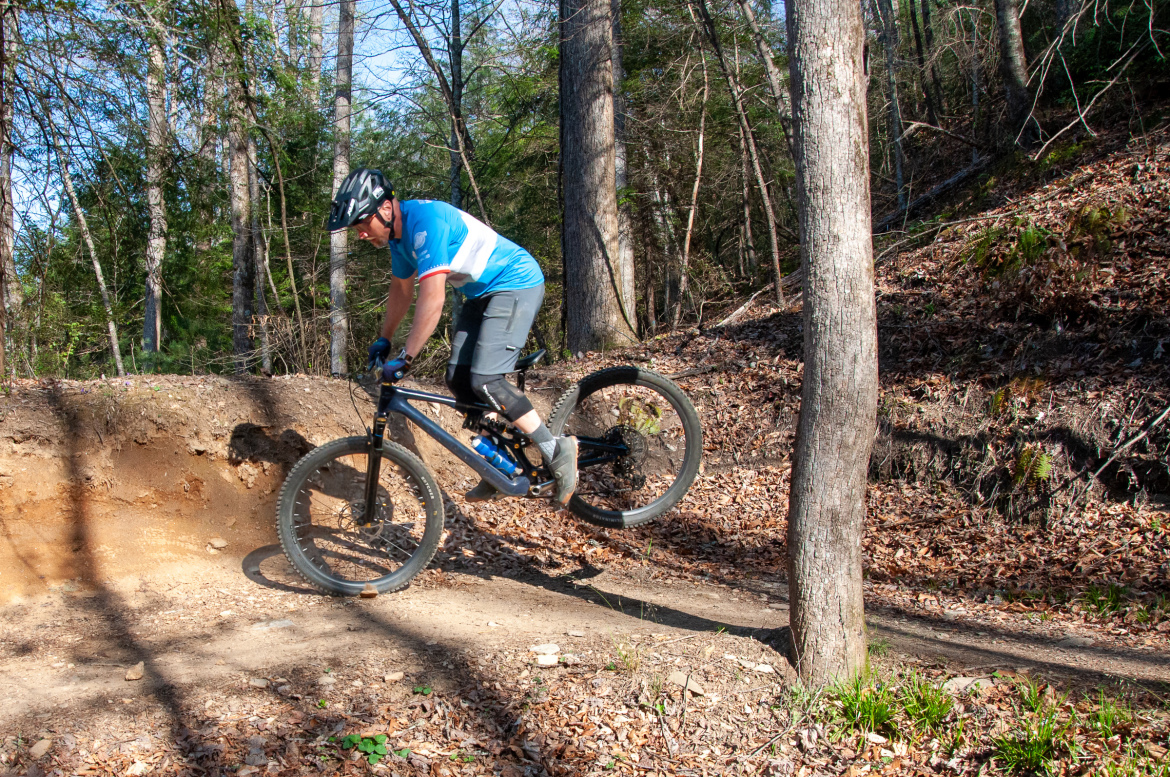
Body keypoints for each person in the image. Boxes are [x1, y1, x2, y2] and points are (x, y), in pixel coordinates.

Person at [327, 167, 578, 505]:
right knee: (459, 379)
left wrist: (407, 357)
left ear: (386, 209)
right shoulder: (399, 239)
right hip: (482, 293)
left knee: (487, 378)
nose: (360, 234)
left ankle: (556, 448)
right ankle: (499, 465)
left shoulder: (426, 222)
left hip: (515, 282)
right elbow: (402, 290)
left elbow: (433, 297)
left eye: (361, 224)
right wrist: (384, 339)